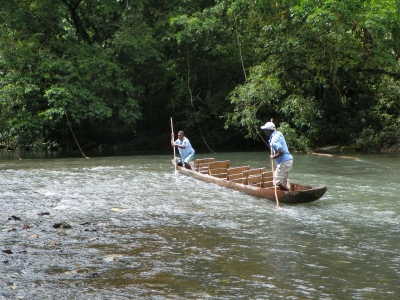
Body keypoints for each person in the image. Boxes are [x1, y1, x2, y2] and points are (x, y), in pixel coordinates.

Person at [261, 121, 293, 191]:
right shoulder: (278, 133)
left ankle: (291, 193)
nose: (265, 132)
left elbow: (281, 152)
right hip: (289, 161)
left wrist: (274, 156)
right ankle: (285, 195)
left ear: (268, 130)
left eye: (265, 130)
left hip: (284, 162)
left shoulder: (274, 140)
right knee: (283, 182)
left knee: (276, 182)